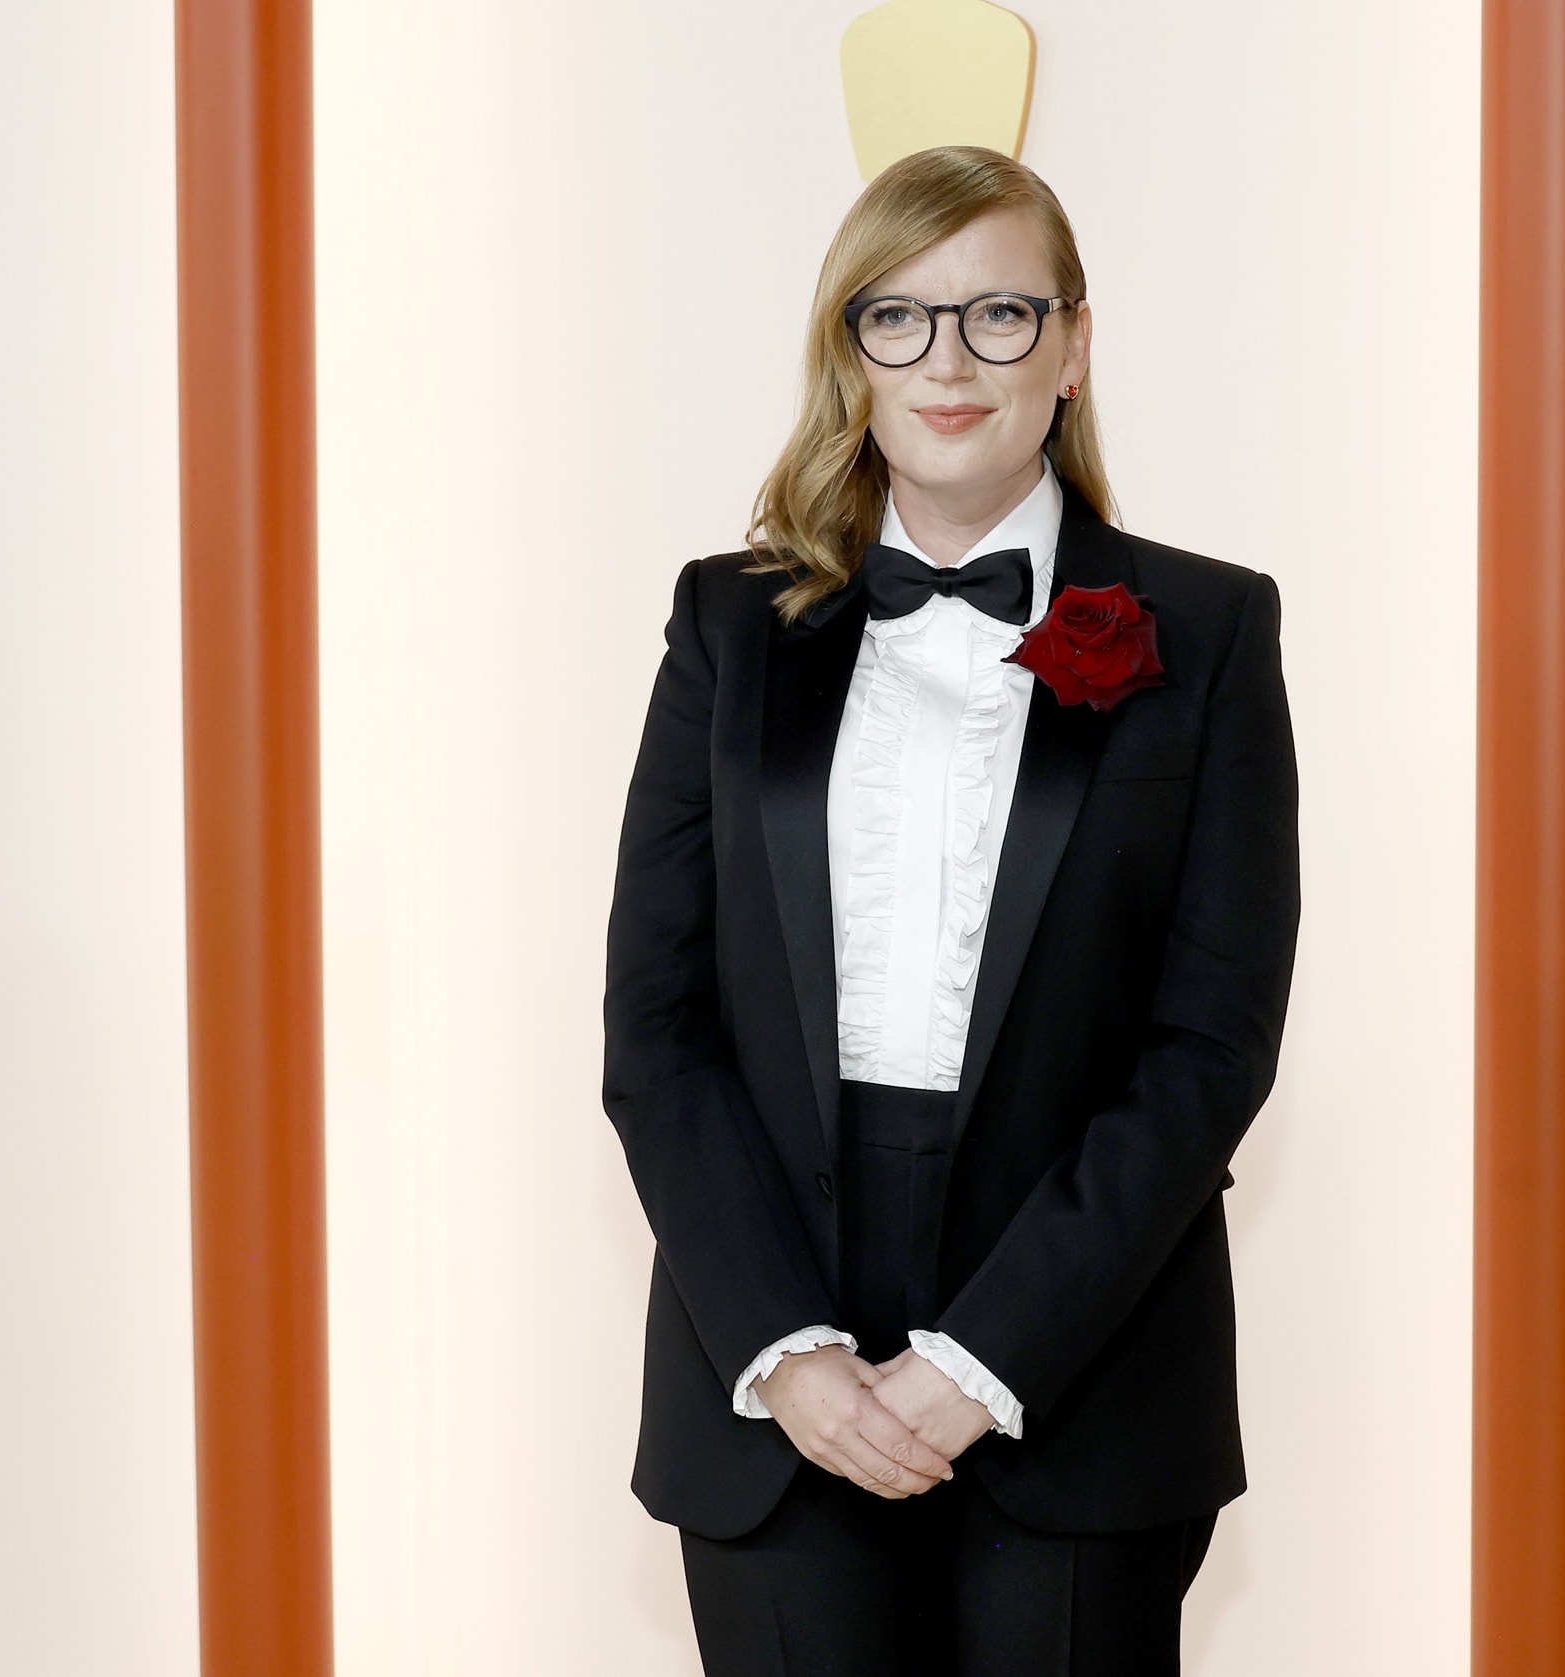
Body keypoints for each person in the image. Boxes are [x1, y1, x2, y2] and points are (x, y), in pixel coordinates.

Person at [604, 144, 1299, 1676]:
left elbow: (1209, 1048)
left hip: (1086, 1353)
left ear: (1073, 345)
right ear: (850, 348)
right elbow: (657, 1028)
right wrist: (787, 1350)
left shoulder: (1210, 629)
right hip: (772, 1340)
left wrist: (988, 1356)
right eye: (898, 316)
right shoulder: (726, 622)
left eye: (999, 313)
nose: (949, 360)